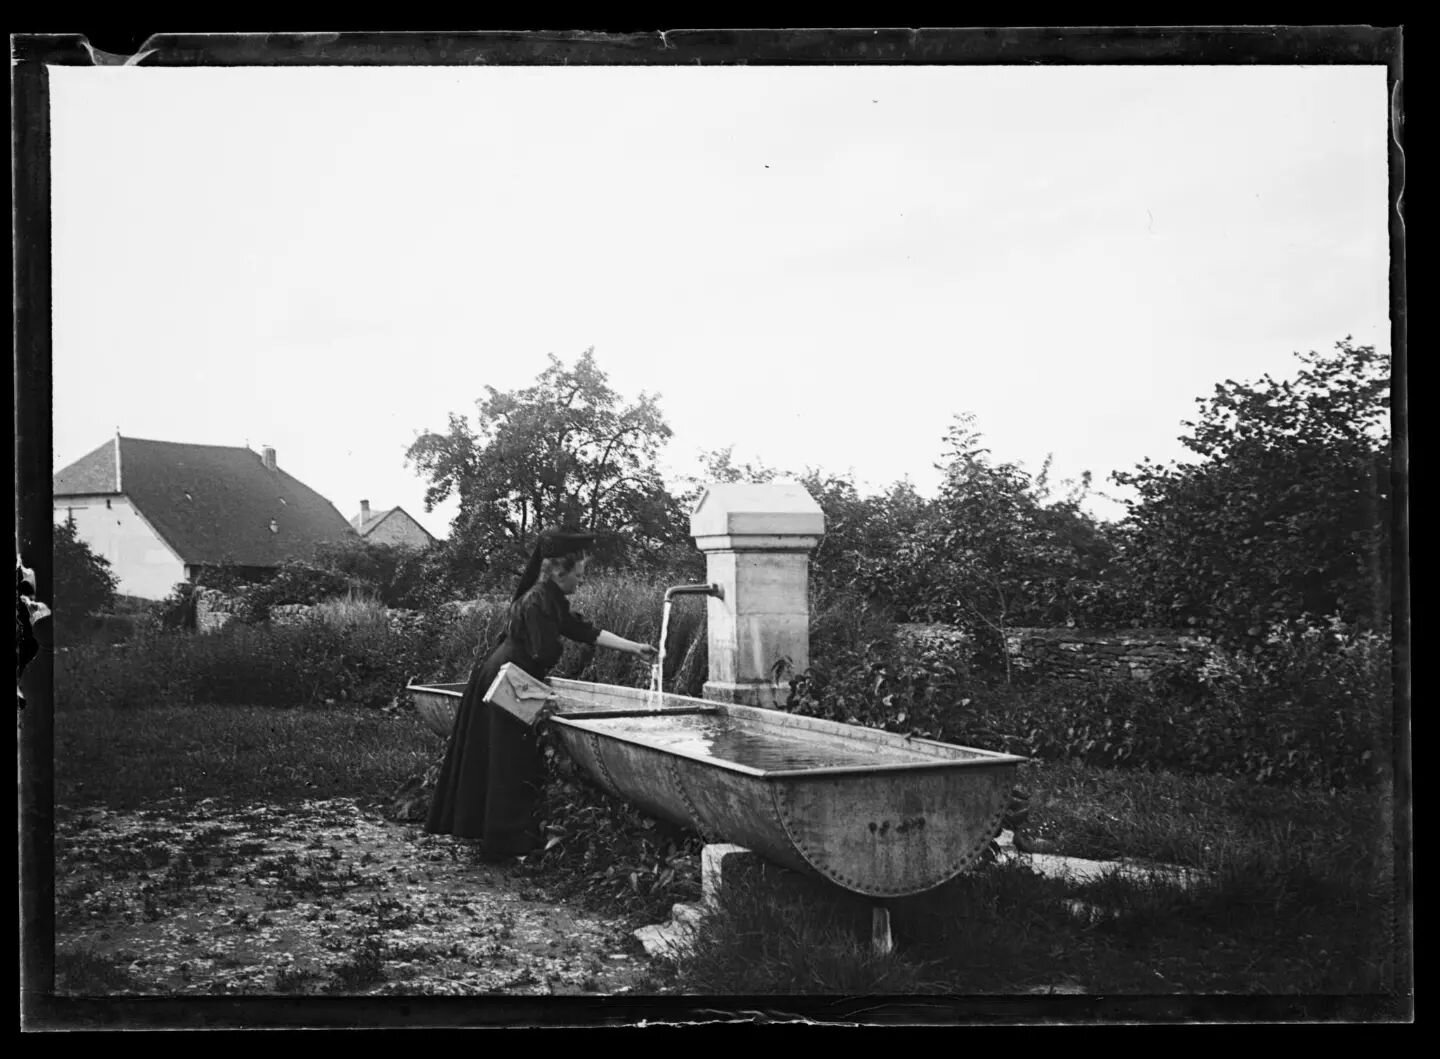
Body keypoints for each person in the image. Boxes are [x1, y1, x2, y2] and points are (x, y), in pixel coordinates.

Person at [425, 526, 657, 857]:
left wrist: (634, 648)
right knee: (509, 759)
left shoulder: (549, 596)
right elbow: (542, 653)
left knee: (499, 755)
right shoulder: (538, 601)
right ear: (559, 571)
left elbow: (583, 631)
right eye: (579, 574)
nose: (581, 580)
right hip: (508, 679)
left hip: (506, 674)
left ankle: (494, 835)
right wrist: (547, 696)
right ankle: (504, 843)